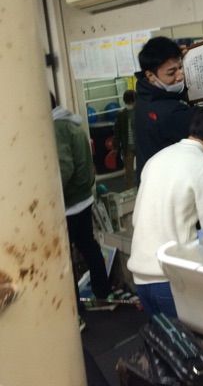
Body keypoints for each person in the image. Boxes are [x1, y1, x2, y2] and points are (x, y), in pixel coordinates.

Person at [127, 101, 203, 317]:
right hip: (171, 278)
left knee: (164, 338)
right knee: (194, 338)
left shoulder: (157, 158)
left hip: (140, 279)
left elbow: (136, 219)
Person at [50, 93, 110, 306]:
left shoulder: (56, 128)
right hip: (83, 197)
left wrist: (51, 197)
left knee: (65, 256)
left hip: (69, 203)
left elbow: (64, 168)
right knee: (89, 246)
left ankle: (74, 307)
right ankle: (103, 292)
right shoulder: (72, 123)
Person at [135, 36, 195, 179]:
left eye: (180, 67)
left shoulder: (143, 96)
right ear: (150, 75)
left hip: (150, 183)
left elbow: (169, 96)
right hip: (171, 185)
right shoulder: (170, 112)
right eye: (171, 72)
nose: (179, 76)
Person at [113, 89, 136, 188]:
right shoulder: (121, 114)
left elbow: (116, 131)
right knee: (129, 172)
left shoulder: (139, 111)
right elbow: (117, 131)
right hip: (128, 147)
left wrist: (116, 146)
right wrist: (116, 146)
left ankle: (132, 189)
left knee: (131, 171)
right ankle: (130, 189)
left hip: (135, 146)